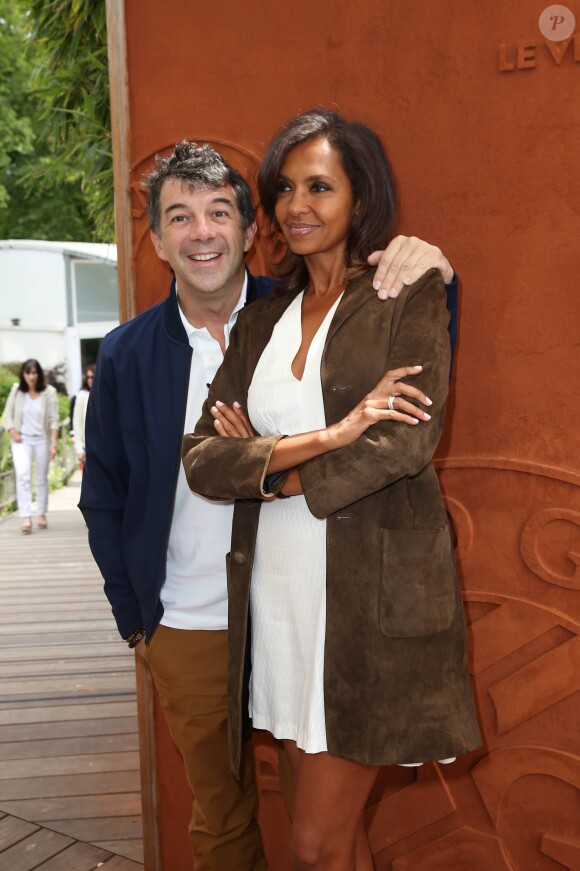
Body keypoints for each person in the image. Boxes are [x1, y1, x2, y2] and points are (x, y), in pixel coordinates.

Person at [79, 138, 459, 870]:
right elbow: (115, 492)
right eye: (179, 218)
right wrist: (136, 618)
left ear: (251, 232)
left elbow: (409, 395)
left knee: (321, 827)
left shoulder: (296, 309)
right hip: (188, 617)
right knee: (222, 818)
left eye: (220, 212)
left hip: (300, 605)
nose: (202, 233)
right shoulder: (128, 353)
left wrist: (440, 267)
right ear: (157, 240)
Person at [182, 109, 481, 871]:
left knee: (313, 845)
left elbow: (407, 437)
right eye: (284, 187)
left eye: (321, 185)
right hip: (277, 600)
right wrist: (326, 438)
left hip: (363, 605)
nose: (296, 205)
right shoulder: (260, 319)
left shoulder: (404, 293)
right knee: (337, 843)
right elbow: (201, 458)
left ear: (360, 195)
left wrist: (272, 469)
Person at [3, 359, 59, 533]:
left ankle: (41, 513)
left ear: (39, 374)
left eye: (35, 373)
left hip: (41, 439)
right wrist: (12, 431)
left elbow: (54, 420)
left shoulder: (49, 392)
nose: (32, 377)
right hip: (21, 440)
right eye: (29, 373)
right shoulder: (17, 391)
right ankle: (26, 517)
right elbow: (7, 414)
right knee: (23, 475)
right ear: (23, 374)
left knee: (41, 477)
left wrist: (54, 444)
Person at [72, 364, 95, 470]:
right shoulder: (81, 396)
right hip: (87, 445)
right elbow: (77, 422)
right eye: (88, 377)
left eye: (93, 377)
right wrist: (79, 447)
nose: (90, 380)